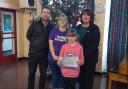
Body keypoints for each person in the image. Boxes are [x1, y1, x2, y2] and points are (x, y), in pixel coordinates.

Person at [26, 6, 54, 89]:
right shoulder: (34, 24)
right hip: (33, 54)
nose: (46, 14)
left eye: (48, 13)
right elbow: (28, 35)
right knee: (31, 73)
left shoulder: (52, 26)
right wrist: (35, 43)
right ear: (41, 13)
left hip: (44, 55)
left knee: (43, 74)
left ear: (50, 15)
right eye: (44, 12)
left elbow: (51, 39)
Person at [76, 9, 100, 89]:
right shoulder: (77, 28)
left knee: (88, 81)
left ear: (90, 17)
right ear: (81, 16)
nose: (85, 16)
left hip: (90, 59)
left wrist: (83, 56)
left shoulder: (95, 28)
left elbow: (94, 45)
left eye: (87, 15)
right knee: (80, 80)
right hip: (79, 59)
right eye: (83, 14)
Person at [48, 14, 69, 89]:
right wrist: (54, 55)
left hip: (64, 58)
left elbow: (72, 45)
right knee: (55, 74)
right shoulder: (54, 30)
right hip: (53, 57)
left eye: (64, 20)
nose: (62, 21)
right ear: (58, 21)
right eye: (60, 20)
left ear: (66, 21)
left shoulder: (69, 32)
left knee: (63, 75)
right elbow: (50, 44)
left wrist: (63, 58)